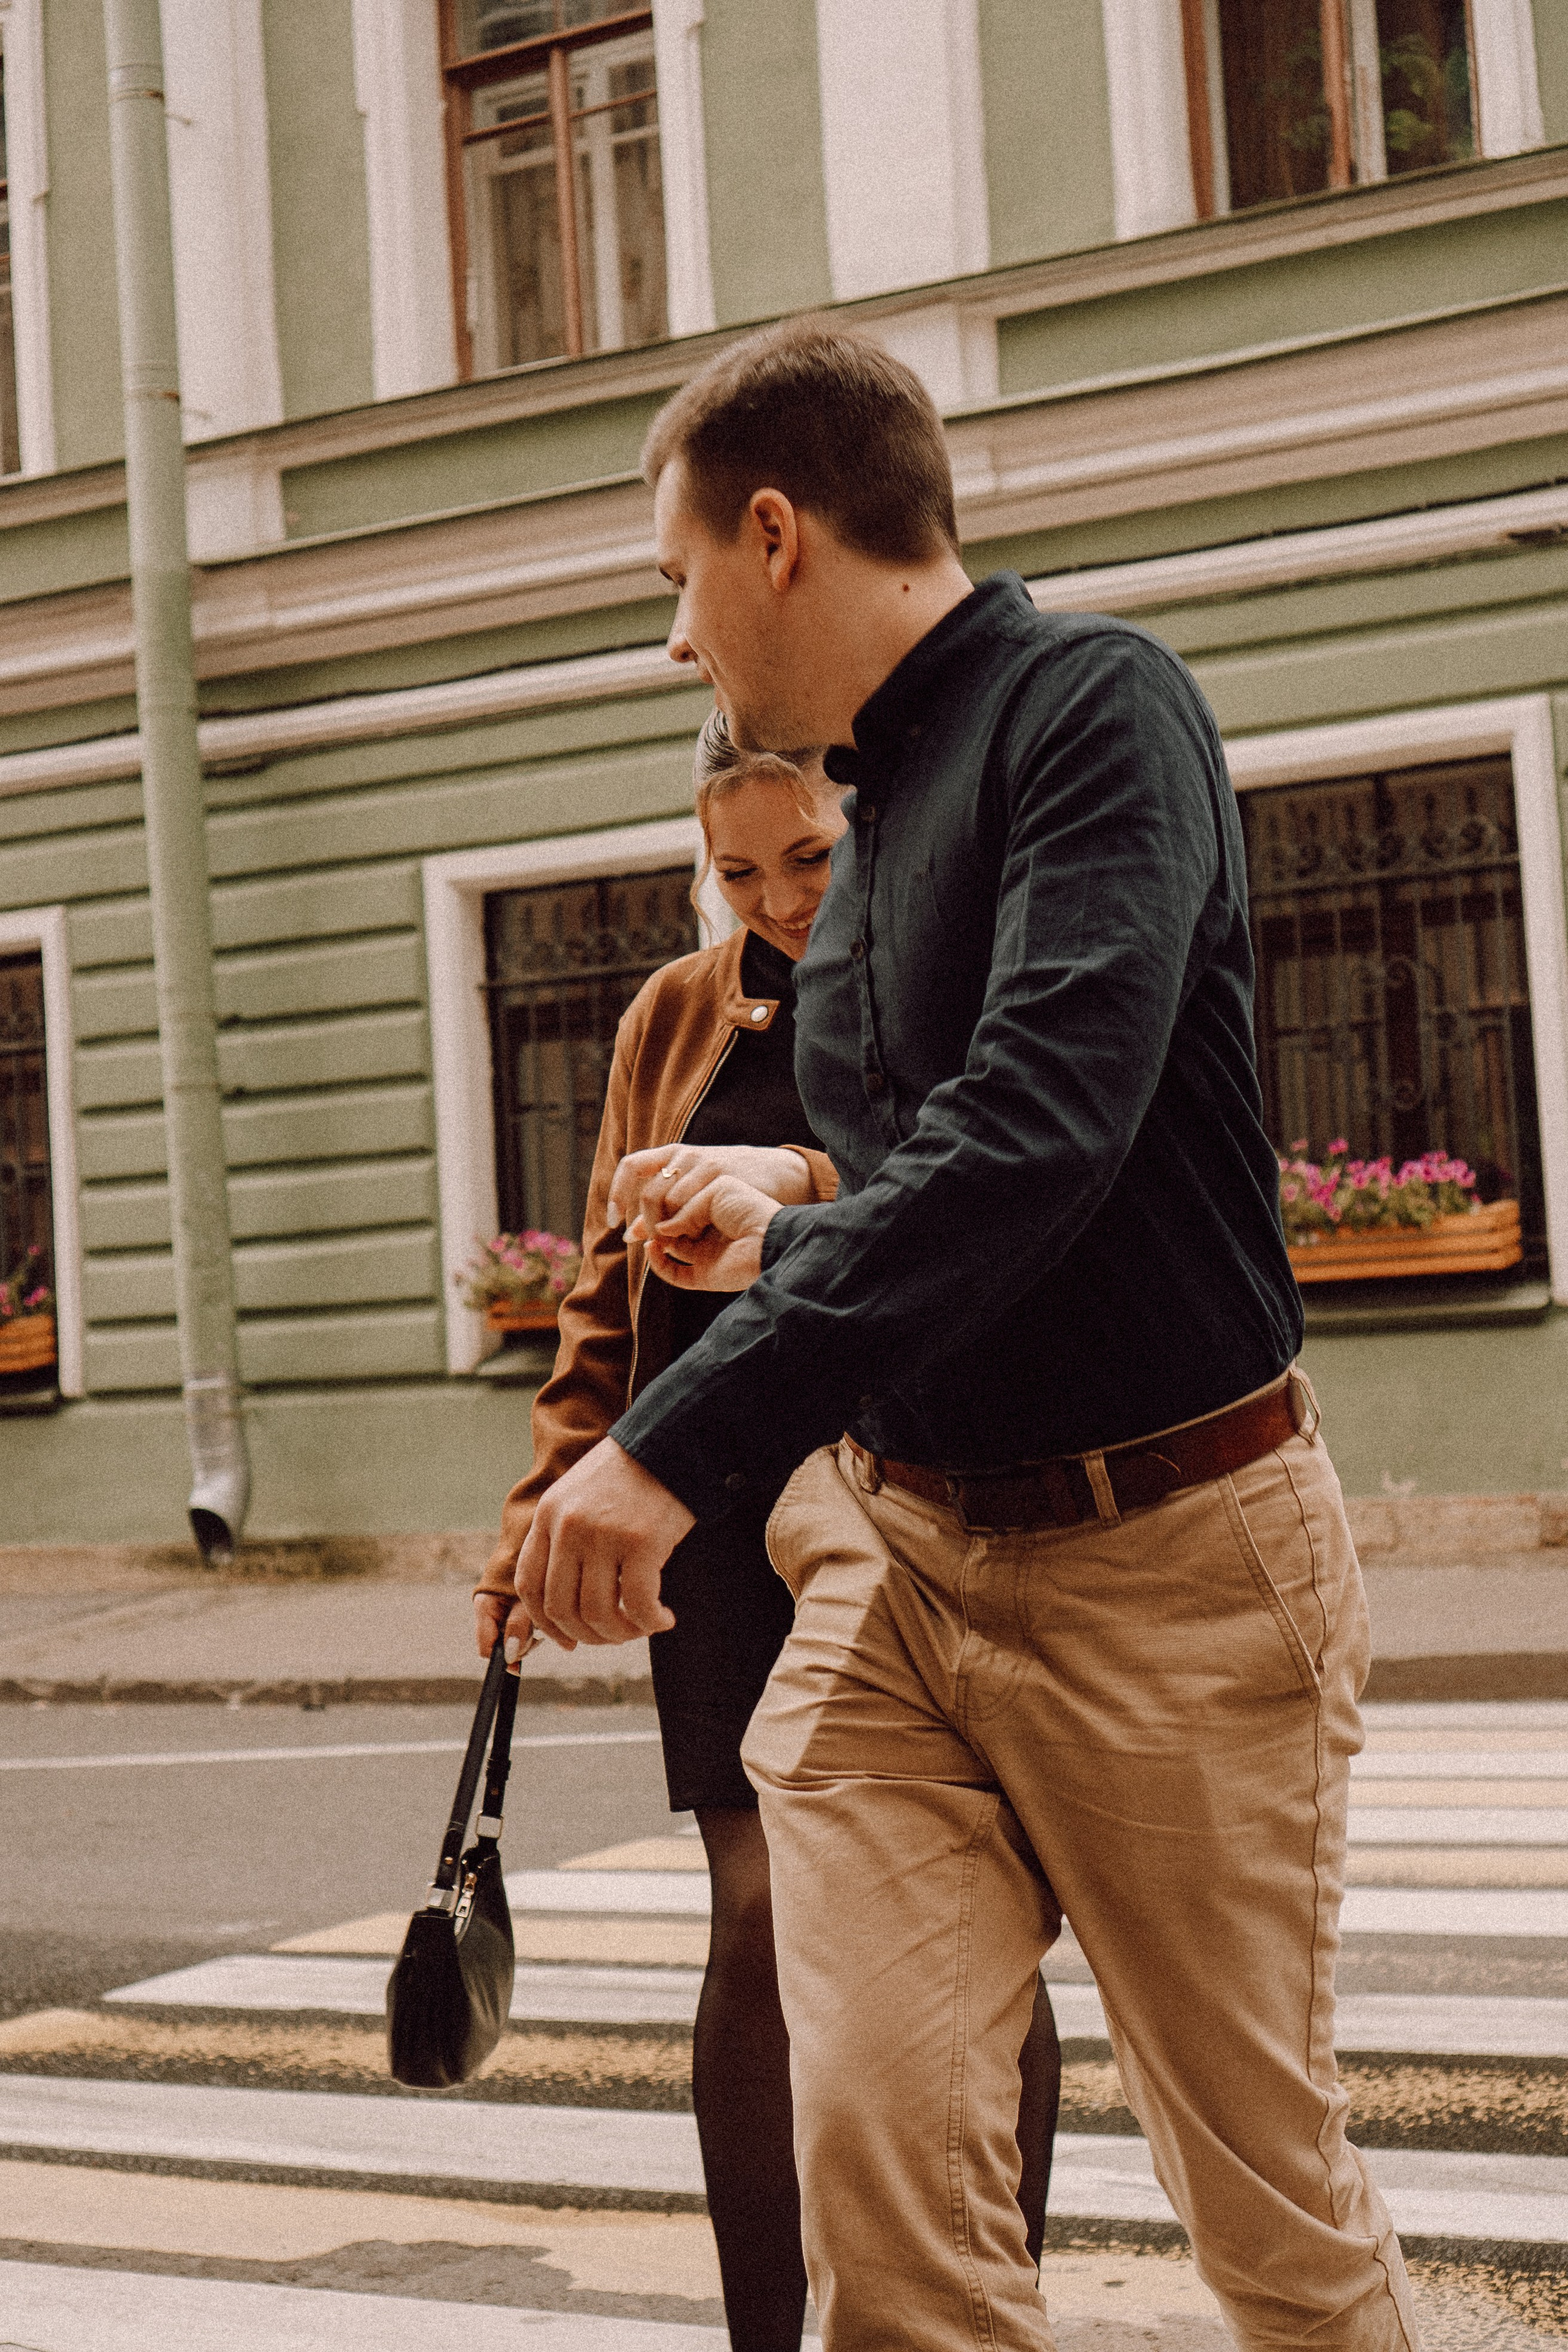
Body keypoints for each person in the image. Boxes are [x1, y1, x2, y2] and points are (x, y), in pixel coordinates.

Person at [505, 321, 1422, 2351]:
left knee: (1261, 2209)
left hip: (1170, 1564)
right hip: (901, 1565)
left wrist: (667, 1447)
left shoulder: (1098, 710)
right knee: (892, 2221)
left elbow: (1043, 1134)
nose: (678, 645)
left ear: (775, 535)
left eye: (675, 583)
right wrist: (791, 1198)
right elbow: (933, 1153)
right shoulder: (873, 812)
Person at [475, 715, 1064, 2351]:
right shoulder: (677, 1005)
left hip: (924, 1488)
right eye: (738, 871)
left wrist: (792, 1183)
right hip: (712, 1502)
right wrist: (541, 1514)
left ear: (870, 828)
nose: (780, 900)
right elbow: (606, 1300)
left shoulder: (950, 979)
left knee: (974, 1923)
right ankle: (760, 2336)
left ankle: (991, 2302)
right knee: (753, 1908)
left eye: (809, 857)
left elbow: (980, 1193)